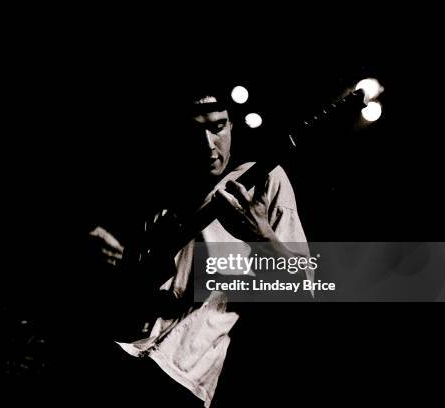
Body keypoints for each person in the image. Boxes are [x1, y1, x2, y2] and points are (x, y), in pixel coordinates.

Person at [88, 85, 312, 407]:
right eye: (195, 131)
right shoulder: (164, 192)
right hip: (127, 355)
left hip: (189, 379)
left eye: (218, 127)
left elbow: (303, 289)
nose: (208, 145)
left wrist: (261, 234)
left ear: (231, 125)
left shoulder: (263, 180)